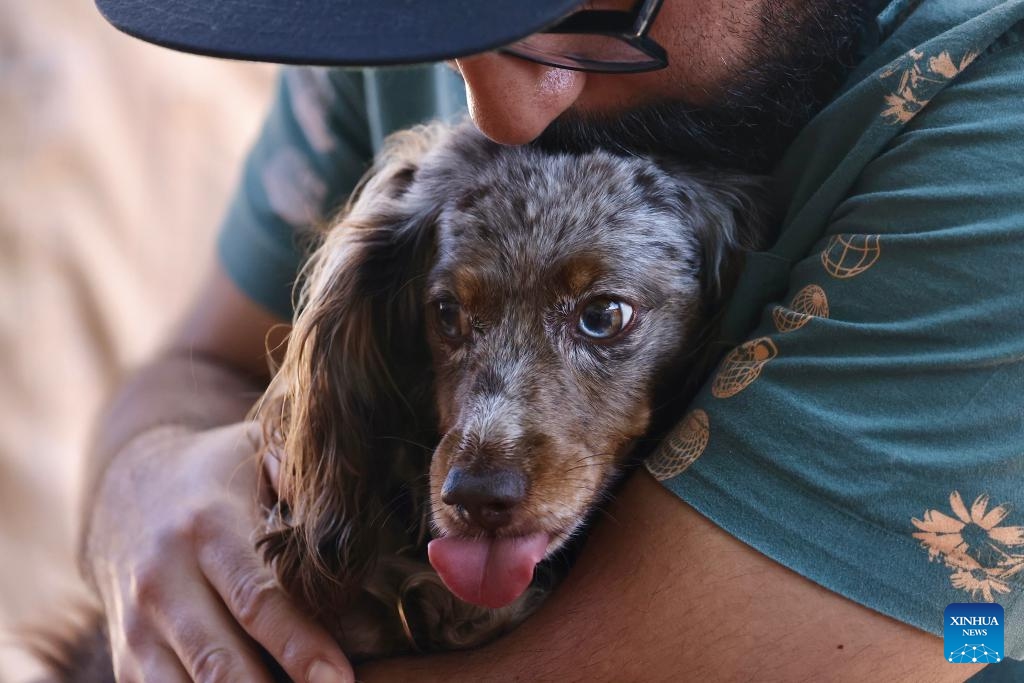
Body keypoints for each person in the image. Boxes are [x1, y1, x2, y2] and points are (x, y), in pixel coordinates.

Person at [83, 0, 1024, 680]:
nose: (496, 113)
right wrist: (144, 479)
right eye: (450, 20)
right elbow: (200, 364)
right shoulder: (370, 26)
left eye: (592, 3)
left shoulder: (997, 126)